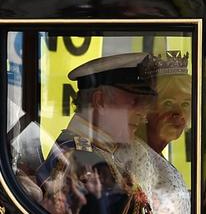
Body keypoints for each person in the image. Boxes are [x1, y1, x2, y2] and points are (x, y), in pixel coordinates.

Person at [36, 52, 157, 214]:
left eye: (145, 104)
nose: (143, 115)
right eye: (135, 102)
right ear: (99, 101)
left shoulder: (94, 153)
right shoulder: (85, 161)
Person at [117, 50, 192, 213]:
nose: (178, 113)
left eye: (186, 104)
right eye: (168, 103)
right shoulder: (136, 158)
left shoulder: (150, 154)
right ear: (147, 108)